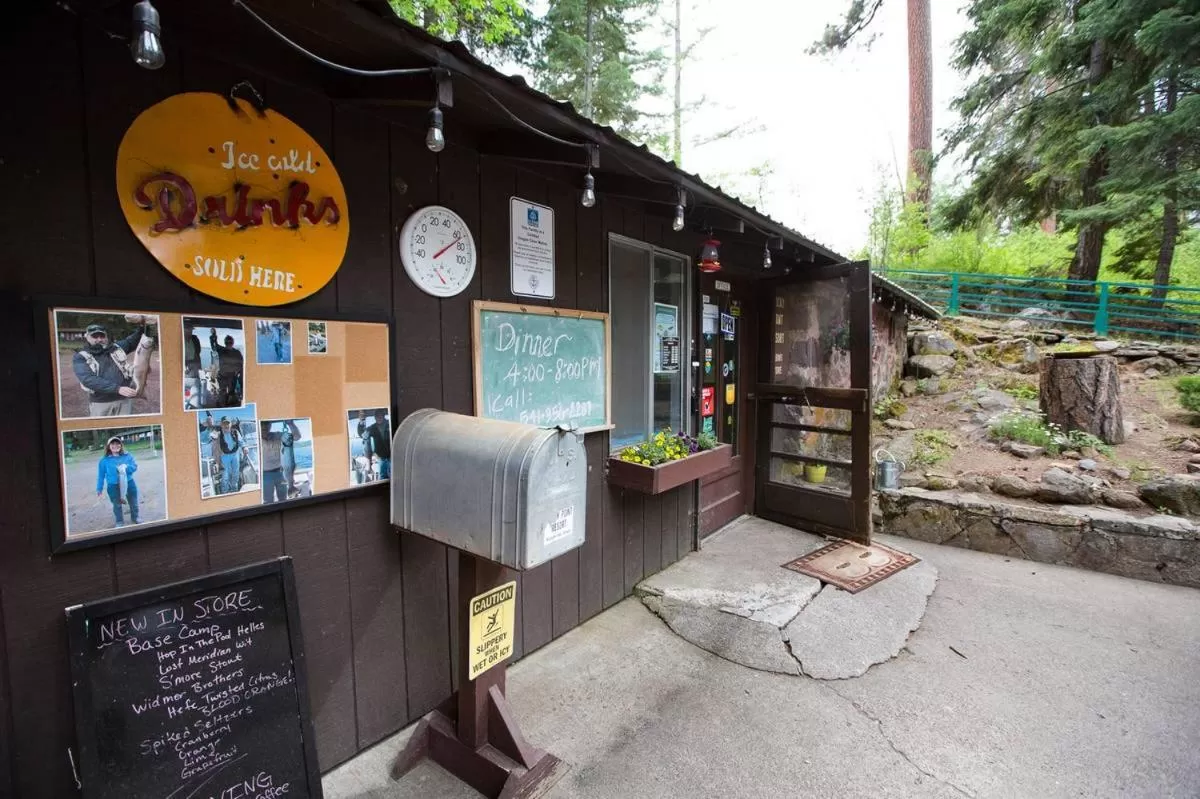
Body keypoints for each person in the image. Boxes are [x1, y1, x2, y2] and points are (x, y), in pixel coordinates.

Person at [72, 322, 145, 416]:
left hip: (124, 401)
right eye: (95, 336)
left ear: (106, 337)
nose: (99, 339)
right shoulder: (80, 356)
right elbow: (88, 379)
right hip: (100, 403)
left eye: (102, 336)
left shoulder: (116, 348)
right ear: (87, 337)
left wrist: (142, 327)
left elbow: (132, 340)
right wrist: (117, 389)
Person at [95, 436, 139, 527]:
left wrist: (127, 467)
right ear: (108, 446)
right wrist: (99, 488)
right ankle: (119, 521)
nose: (115, 445)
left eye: (117, 443)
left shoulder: (128, 456)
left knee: (133, 501)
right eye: (112, 444)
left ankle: (135, 517)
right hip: (112, 486)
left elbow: (134, 467)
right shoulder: (104, 461)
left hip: (129, 483)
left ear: (121, 445)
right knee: (117, 505)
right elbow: (101, 475)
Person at [260, 419, 301, 503]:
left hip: (281, 473)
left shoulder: (279, 435)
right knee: (268, 501)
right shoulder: (256, 439)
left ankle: (291, 488)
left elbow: (297, 437)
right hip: (265, 475)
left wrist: (291, 424)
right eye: (262, 424)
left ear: (270, 425)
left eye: (267, 423)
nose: (264, 426)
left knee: (283, 499)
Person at [202, 412, 243, 494]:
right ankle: (225, 491)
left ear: (231, 424)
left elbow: (241, 442)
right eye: (224, 424)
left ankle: (234, 489)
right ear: (221, 425)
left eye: (228, 423)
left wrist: (245, 448)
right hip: (224, 457)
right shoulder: (217, 433)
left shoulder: (235, 432)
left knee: (235, 474)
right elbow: (205, 439)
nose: (226, 425)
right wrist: (209, 428)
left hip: (235, 455)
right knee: (225, 475)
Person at [209, 327, 244, 407]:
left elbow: (214, 345)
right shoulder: (236, 352)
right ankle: (226, 404)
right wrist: (213, 335)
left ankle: (224, 404)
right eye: (228, 342)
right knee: (227, 391)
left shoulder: (223, 350)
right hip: (227, 376)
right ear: (232, 343)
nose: (229, 343)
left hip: (228, 376)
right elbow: (241, 365)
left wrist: (213, 335)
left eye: (229, 342)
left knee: (226, 391)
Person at [357, 409, 391, 480]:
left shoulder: (390, 424)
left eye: (380, 415)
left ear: (383, 416)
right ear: (375, 417)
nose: (378, 417)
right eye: (377, 416)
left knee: (395, 475)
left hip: (392, 456)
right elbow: (362, 434)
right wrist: (361, 422)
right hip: (381, 458)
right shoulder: (372, 428)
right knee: (383, 477)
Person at [183, 322, 205, 409]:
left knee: (196, 383)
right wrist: (185, 364)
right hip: (185, 365)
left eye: (191, 329)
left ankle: (194, 402)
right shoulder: (180, 339)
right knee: (186, 387)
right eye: (187, 329)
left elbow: (198, 351)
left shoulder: (195, 338)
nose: (189, 331)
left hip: (195, 365)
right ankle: (187, 401)